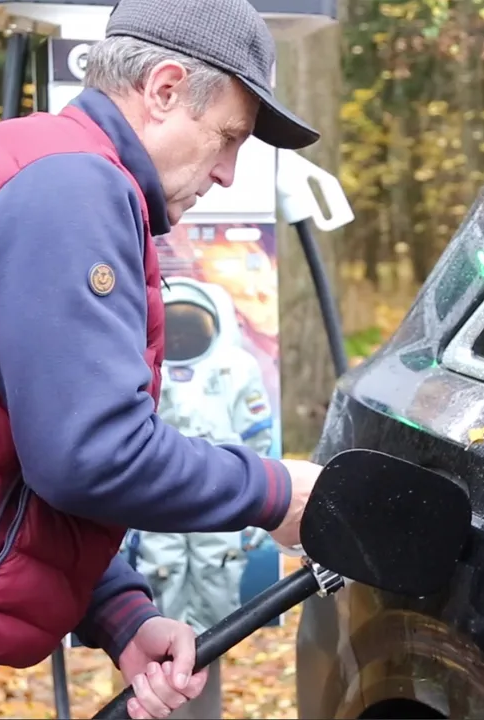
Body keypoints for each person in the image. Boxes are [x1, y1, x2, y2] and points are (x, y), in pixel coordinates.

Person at [0, 0, 324, 718]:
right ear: (164, 89)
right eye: (228, 137)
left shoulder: (38, 165)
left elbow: (4, 450)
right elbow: (91, 452)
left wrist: (121, 615)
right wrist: (274, 495)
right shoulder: (74, 188)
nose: (229, 172)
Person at [128, 277, 277, 719]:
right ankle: (164, 678)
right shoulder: (141, 364)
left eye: (190, 328)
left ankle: (206, 662)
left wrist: (255, 512)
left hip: (221, 498)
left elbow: (257, 440)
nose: (180, 336)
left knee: (217, 581)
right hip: (158, 500)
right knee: (161, 576)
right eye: (173, 329)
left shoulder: (234, 367)